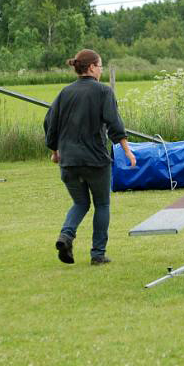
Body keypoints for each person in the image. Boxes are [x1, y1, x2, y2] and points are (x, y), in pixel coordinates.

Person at [44, 49, 137, 266]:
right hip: (95, 160)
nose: (102, 70)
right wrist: (127, 149)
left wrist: (55, 150)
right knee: (102, 204)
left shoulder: (64, 93)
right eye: (101, 66)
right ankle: (98, 254)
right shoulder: (103, 92)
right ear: (92, 67)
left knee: (80, 203)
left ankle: (66, 236)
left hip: (69, 161)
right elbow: (114, 122)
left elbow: (50, 122)